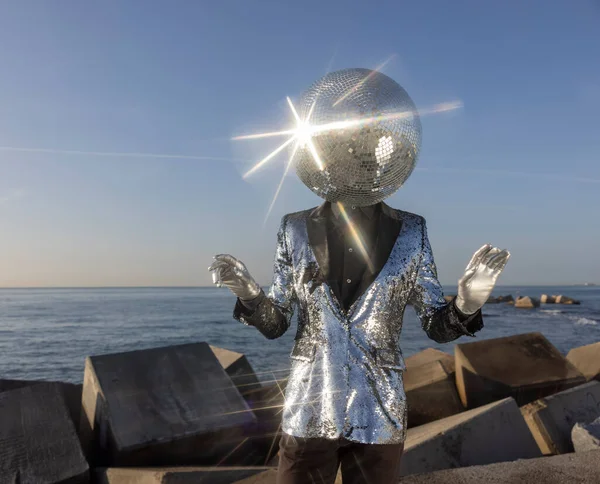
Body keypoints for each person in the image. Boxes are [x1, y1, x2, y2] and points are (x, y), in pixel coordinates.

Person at [209, 69, 509, 484]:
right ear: (327, 155)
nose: (356, 155)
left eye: (367, 148)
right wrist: (249, 293)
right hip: (308, 407)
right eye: (346, 147)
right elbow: (277, 323)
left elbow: (434, 326)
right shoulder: (293, 228)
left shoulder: (412, 230)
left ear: (384, 157)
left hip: (379, 411)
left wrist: (467, 304)